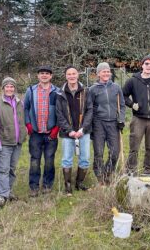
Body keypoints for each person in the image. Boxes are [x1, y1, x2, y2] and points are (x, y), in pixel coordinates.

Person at [122, 55, 150, 175]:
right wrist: (131, 104)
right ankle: (131, 171)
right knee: (134, 146)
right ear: (142, 65)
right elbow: (123, 95)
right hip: (138, 119)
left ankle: (148, 170)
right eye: (146, 63)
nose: (148, 66)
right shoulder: (133, 80)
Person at [56, 66, 93, 195]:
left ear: (78, 75)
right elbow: (59, 114)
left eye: (74, 73)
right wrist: (69, 130)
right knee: (67, 159)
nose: (71, 76)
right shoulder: (60, 93)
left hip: (84, 131)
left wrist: (83, 129)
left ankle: (79, 183)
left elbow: (89, 111)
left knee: (85, 158)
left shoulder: (85, 91)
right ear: (66, 76)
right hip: (68, 133)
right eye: (69, 74)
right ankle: (68, 187)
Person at [0, 77, 26, 208]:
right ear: (3, 88)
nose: (9, 89)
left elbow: (22, 120)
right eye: (7, 86)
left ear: (15, 88)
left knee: (12, 169)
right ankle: (1, 195)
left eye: (12, 86)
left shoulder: (19, 103)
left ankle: (8, 191)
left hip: (17, 142)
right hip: (4, 142)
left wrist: (24, 133)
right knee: (3, 169)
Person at [24, 66, 60, 197]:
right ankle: (33, 186)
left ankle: (47, 185)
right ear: (38, 76)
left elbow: (61, 112)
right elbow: (26, 108)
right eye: (41, 73)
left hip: (51, 132)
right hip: (35, 133)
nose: (44, 75)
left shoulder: (57, 91)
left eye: (47, 73)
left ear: (51, 76)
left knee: (49, 160)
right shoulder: (31, 91)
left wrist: (56, 129)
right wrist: (28, 124)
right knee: (35, 160)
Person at [89, 62, 125, 185]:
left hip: (113, 123)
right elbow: (90, 109)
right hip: (99, 123)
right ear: (98, 73)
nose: (106, 73)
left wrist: (121, 119)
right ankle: (100, 176)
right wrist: (91, 126)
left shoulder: (116, 87)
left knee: (115, 153)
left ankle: (108, 172)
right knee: (98, 152)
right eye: (103, 71)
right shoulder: (93, 89)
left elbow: (122, 106)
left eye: (108, 71)